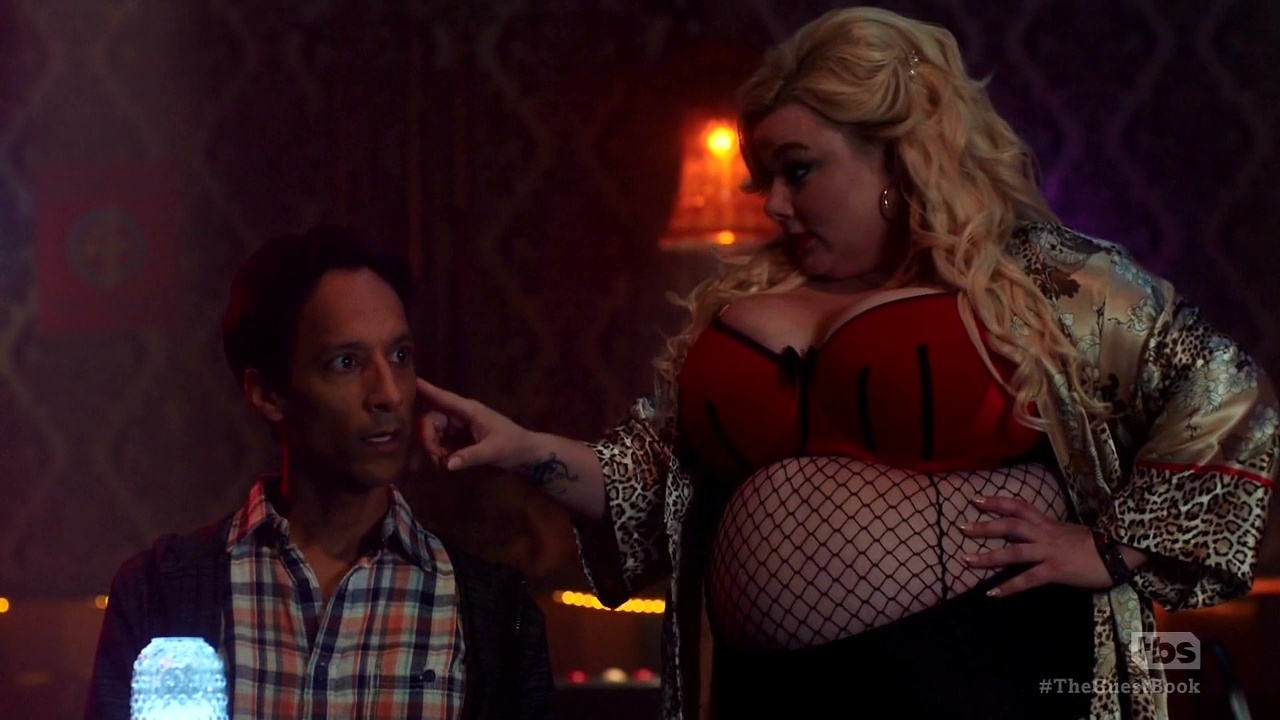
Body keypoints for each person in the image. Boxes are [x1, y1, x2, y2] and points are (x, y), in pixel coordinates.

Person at [415, 7, 1277, 720]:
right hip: (768, 697)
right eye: (765, 178)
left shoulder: (1042, 283)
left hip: (981, 681)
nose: (774, 205)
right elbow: (655, 484)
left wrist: (1115, 550)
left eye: (798, 171)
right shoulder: (747, 295)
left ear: (897, 155)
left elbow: (1226, 393)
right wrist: (522, 447)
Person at [84, 224, 555, 720]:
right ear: (268, 394)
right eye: (347, 362)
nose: (389, 394)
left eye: (400, 356)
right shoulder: (162, 591)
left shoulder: (494, 613)